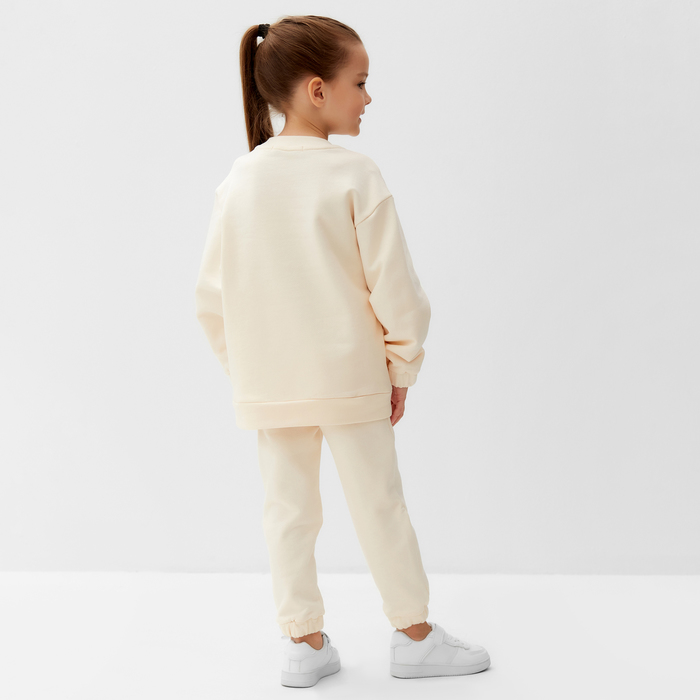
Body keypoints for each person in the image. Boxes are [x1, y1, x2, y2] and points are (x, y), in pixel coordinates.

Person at [194, 14, 490, 687]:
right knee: (380, 505)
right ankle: (414, 637)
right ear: (317, 89)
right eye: (360, 83)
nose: (368, 97)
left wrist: (251, 374)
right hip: (352, 377)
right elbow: (396, 288)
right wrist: (401, 366)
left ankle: (303, 643)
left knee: (287, 513)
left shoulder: (238, 181)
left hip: (271, 386)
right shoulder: (354, 174)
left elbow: (211, 299)